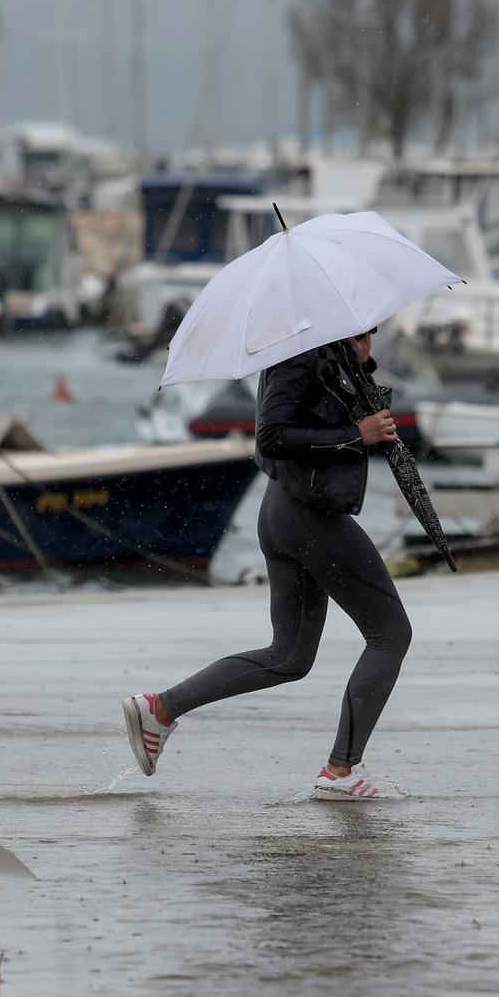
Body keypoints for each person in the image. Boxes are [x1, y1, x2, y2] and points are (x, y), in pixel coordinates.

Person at [122, 329, 412, 799]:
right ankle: (340, 772)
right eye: (360, 335)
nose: (368, 345)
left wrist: (358, 408)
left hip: (290, 511)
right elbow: (271, 434)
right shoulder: (297, 355)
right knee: (391, 634)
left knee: (289, 656)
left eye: (372, 334)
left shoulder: (330, 358)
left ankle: (160, 709)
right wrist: (354, 435)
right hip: (305, 513)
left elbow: (314, 420)